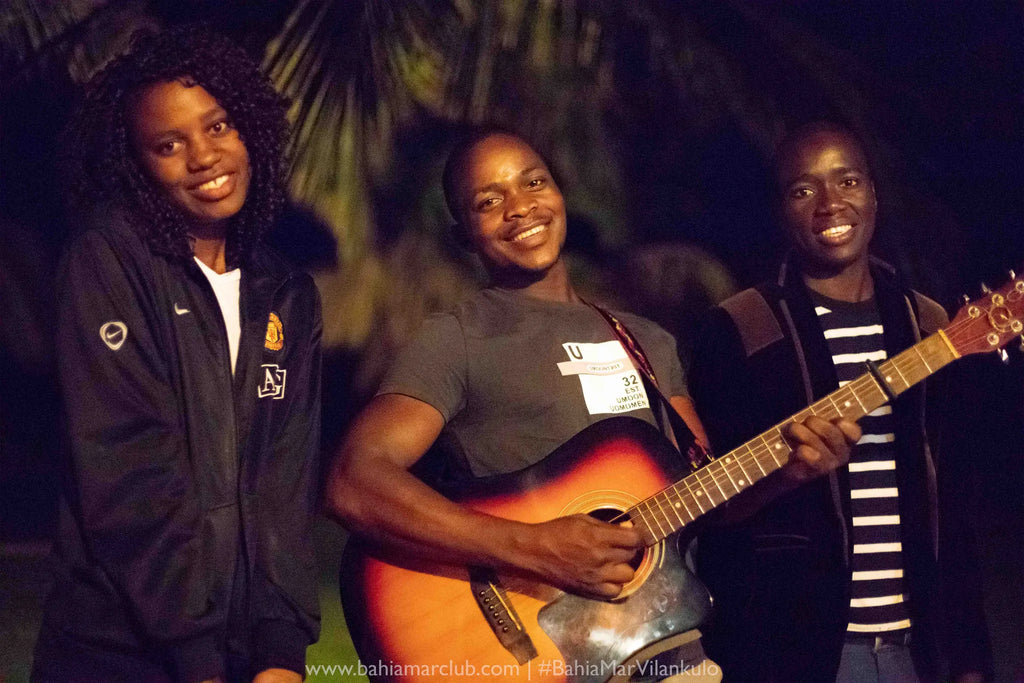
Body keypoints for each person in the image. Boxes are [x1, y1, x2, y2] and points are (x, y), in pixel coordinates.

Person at [326, 129, 857, 679]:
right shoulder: (456, 338)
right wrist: (533, 548)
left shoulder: (647, 341)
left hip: (662, 651)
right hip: (535, 652)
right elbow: (353, 480)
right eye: (489, 200)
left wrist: (787, 471)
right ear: (464, 234)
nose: (520, 207)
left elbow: (703, 498)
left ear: (560, 194)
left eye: (534, 182)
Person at [31, 26, 322, 683]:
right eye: (168, 144)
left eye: (218, 126)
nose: (202, 156)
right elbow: (129, 469)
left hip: (250, 653)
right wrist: (196, 655)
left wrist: (282, 651)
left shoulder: (287, 294)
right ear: (138, 165)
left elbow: (287, 477)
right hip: (116, 651)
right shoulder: (107, 261)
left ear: (250, 127)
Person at [688, 121, 992, 682]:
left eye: (847, 180)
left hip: (918, 648)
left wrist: (970, 658)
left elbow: (954, 502)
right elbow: (704, 512)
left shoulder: (928, 326)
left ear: (874, 193)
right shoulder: (739, 329)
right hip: (795, 651)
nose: (830, 204)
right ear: (781, 209)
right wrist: (786, 474)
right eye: (804, 190)